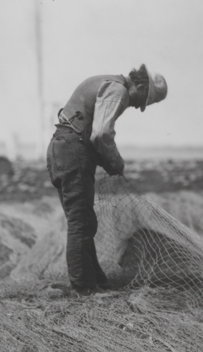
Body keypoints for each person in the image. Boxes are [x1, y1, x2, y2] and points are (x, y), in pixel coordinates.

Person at [46, 64, 168, 295]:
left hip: (62, 150)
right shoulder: (117, 90)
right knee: (81, 222)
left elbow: (93, 133)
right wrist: (116, 162)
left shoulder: (109, 83)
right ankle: (83, 287)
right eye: (143, 101)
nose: (139, 108)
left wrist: (107, 161)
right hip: (72, 153)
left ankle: (95, 279)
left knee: (84, 221)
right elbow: (101, 133)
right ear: (140, 87)